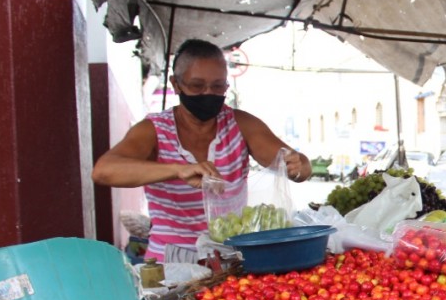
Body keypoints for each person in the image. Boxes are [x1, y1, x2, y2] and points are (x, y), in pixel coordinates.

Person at [93, 39, 312, 262]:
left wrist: (299, 165)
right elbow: (104, 171)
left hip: (230, 260)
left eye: (217, 87)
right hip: (171, 263)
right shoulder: (154, 130)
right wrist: (177, 170)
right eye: (197, 86)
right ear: (176, 84)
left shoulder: (242, 125)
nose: (208, 93)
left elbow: (297, 167)